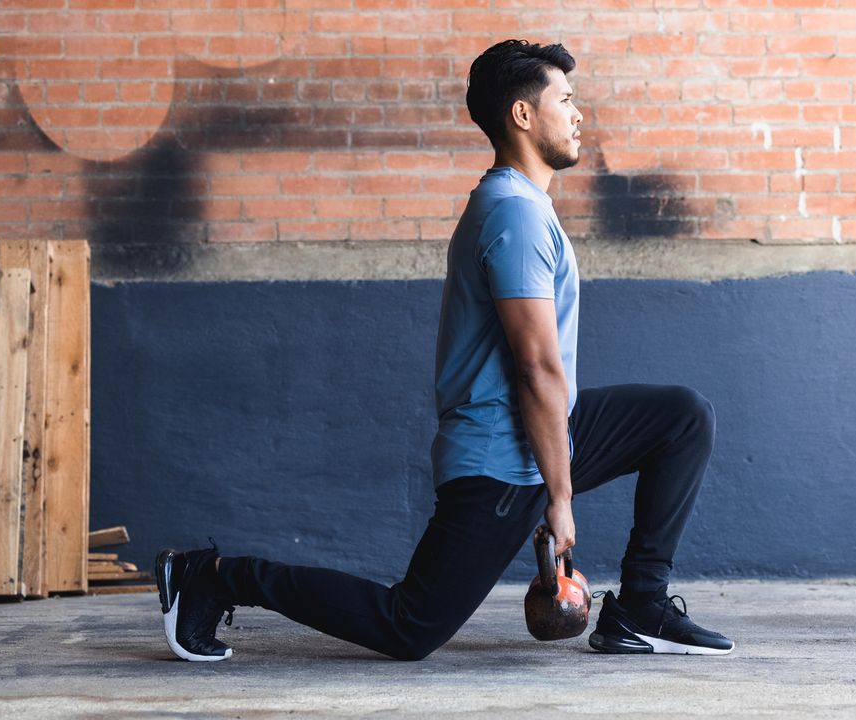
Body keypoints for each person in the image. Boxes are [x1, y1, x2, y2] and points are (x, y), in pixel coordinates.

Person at [155, 39, 734, 662]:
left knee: (680, 417)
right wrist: (559, 499)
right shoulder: (514, 215)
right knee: (411, 627)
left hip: (536, 438)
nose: (578, 114)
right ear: (522, 115)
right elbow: (535, 368)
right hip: (498, 462)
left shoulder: (524, 206)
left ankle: (642, 607)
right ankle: (211, 578)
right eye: (564, 100)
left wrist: (556, 479)